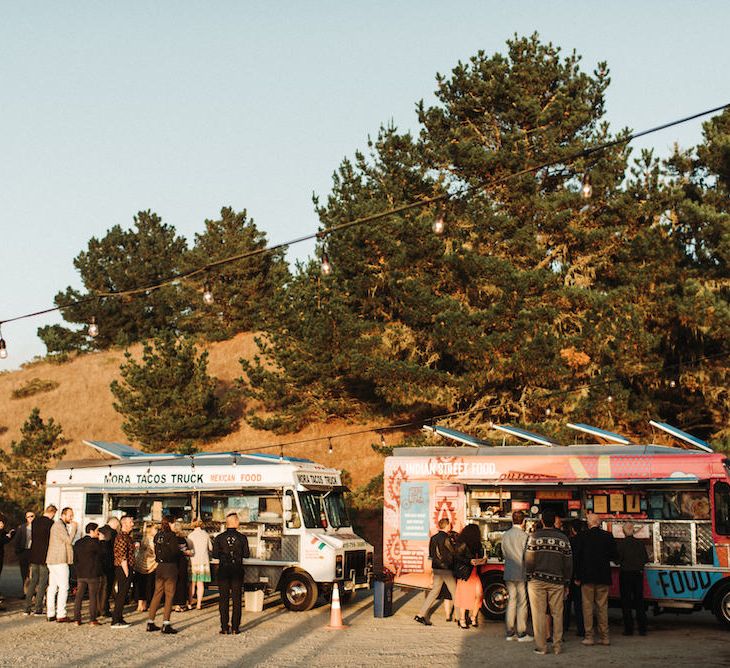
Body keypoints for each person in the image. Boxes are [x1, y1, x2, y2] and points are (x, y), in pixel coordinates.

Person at [525, 508, 573, 656]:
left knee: (538, 614)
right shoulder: (563, 539)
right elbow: (568, 562)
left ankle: (541, 647)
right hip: (557, 581)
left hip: (537, 581)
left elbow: (529, 559)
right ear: (555, 522)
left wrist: (529, 575)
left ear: (542, 521)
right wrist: (566, 582)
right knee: (558, 614)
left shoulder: (534, 537)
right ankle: (557, 647)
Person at [575, 512, 619, 647]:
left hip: (587, 577)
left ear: (588, 523)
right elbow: (615, 556)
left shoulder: (582, 537)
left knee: (587, 607)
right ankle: (605, 637)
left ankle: (589, 637)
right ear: (599, 523)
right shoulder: (608, 536)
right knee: (602, 607)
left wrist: (577, 576)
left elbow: (577, 558)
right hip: (603, 576)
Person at [212, 512, 250, 634]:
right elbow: (246, 554)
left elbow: (215, 555)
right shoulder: (242, 538)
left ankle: (224, 626)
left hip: (223, 570)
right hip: (237, 570)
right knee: (236, 599)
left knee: (223, 599)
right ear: (236, 522)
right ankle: (235, 627)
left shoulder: (219, 538)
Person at [414, 518, 457, 626]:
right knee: (455, 592)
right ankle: (459, 617)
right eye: (449, 525)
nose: (450, 527)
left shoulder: (433, 538)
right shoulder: (448, 538)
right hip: (446, 569)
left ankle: (420, 614)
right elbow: (453, 553)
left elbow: (431, 555)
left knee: (434, 592)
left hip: (437, 568)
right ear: (446, 526)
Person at [502, 510, 532, 642]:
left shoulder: (505, 535)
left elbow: (503, 552)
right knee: (522, 603)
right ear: (523, 521)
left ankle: (510, 632)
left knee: (511, 601)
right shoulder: (525, 536)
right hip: (521, 572)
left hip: (508, 571)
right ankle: (521, 632)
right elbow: (528, 556)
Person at [147, 517, 180, 634]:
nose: (175, 525)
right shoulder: (172, 536)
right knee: (169, 595)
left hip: (159, 567)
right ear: (170, 524)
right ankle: (166, 623)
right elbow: (175, 552)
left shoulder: (157, 536)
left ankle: (150, 621)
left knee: (157, 594)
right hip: (170, 567)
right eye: (174, 523)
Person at [617, 522, 649, 636]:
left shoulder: (621, 544)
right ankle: (642, 629)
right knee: (639, 601)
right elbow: (646, 559)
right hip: (638, 574)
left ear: (624, 531)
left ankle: (628, 629)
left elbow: (617, 560)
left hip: (625, 574)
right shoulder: (640, 544)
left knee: (626, 602)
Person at [46, 506, 76, 622]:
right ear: (63, 515)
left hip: (52, 560)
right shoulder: (59, 525)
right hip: (59, 560)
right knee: (64, 587)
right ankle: (61, 614)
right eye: (70, 515)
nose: (72, 517)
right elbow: (68, 541)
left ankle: (51, 613)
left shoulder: (58, 525)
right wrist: (74, 528)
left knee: (53, 587)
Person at [453, 523, 486, 629]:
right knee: (466, 597)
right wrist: (469, 561)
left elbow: (480, 556)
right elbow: (457, 557)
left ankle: (473, 617)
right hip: (466, 574)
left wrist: (482, 560)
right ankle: (463, 619)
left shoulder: (477, 545)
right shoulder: (463, 544)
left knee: (479, 595)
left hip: (473, 573)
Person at [24, 505, 56, 616]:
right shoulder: (51, 524)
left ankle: (27, 608)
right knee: (42, 582)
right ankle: (38, 608)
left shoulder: (35, 522)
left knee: (33, 581)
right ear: (52, 513)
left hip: (34, 555)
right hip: (44, 556)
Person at [72, 522, 104, 626]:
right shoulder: (95, 543)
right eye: (97, 531)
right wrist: (101, 541)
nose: (98, 533)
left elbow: (75, 559)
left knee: (79, 597)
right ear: (92, 531)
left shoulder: (78, 542)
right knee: (93, 597)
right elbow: (101, 556)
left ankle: (77, 619)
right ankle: (92, 619)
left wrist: (77, 570)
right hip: (93, 574)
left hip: (81, 574)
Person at [111, 515, 135, 628]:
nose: (133, 524)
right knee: (121, 594)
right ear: (124, 523)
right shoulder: (121, 537)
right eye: (131, 522)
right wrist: (126, 572)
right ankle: (116, 620)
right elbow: (122, 556)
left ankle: (119, 617)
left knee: (123, 594)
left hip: (126, 567)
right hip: (123, 568)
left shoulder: (127, 537)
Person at [563, 520, 586, 638]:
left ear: (572, 529)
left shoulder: (571, 541)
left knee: (567, 603)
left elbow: (572, 560)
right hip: (580, 576)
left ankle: (565, 625)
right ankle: (581, 628)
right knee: (579, 604)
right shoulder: (586, 541)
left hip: (572, 576)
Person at [187, 519, 212, 609]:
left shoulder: (190, 536)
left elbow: (189, 549)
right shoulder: (206, 535)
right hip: (203, 562)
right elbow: (210, 548)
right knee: (200, 584)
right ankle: (199, 604)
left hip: (193, 561)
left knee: (192, 583)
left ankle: (190, 603)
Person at [98, 517, 120, 616]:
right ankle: (104, 609)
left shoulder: (99, 530)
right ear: (114, 523)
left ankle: (98, 608)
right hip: (109, 562)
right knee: (107, 587)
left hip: (99, 563)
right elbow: (115, 548)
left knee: (100, 587)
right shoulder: (113, 533)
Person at [134, 523, 158, 612]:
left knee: (140, 585)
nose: (156, 531)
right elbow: (153, 553)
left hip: (140, 565)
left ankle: (140, 604)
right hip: (150, 565)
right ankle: (145, 604)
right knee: (148, 585)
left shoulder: (144, 538)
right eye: (155, 529)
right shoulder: (152, 540)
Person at [172, 520, 192, 612]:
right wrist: (186, 552)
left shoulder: (171, 539)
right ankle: (182, 603)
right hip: (182, 562)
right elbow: (187, 550)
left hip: (173, 563)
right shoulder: (184, 539)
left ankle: (175, 603)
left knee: (174, 583)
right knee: (182, 583)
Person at [14, 511, 34, 597]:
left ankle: (32, 592)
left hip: (33, 552)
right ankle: (24, 591)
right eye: (28, 516)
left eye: (32, 516)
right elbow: (17, 540)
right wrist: (18, 552)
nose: (30, 518)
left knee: (33, 573)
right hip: (23, 551)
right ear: (26, 518)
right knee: (24, 572)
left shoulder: (37, 527)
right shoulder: (21, 527)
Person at [0, 515, 15, 609]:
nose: (2, 524)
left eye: (2, 523)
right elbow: (3, 540)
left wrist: (10, 535)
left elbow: (6, 538)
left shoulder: (2, 532)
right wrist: (8, 536)